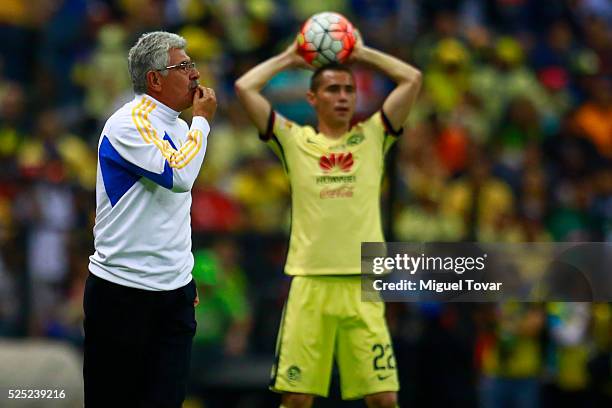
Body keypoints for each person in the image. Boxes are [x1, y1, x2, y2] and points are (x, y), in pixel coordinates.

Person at [235, 32, 422, 408]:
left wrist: (363, 53)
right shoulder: (293, 139)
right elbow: (244, 87)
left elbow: (412, 79)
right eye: (333, 89)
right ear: (312, 98)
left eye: (349, 90)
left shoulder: (374, 135)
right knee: (297, 399)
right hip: (310, 283)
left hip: (362, 283)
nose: (342, 97)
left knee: (384, 398)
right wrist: (290, 57)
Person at [84, 31, 216, 408]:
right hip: (121, 292)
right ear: (154, 79)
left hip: (173, 295)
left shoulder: (177, 126)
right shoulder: (128, 122)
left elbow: (171, 212)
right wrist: (203, 123)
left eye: (193, 64)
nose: (195, 74)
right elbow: (178, 177)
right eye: (184, 66)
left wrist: (182, 277)